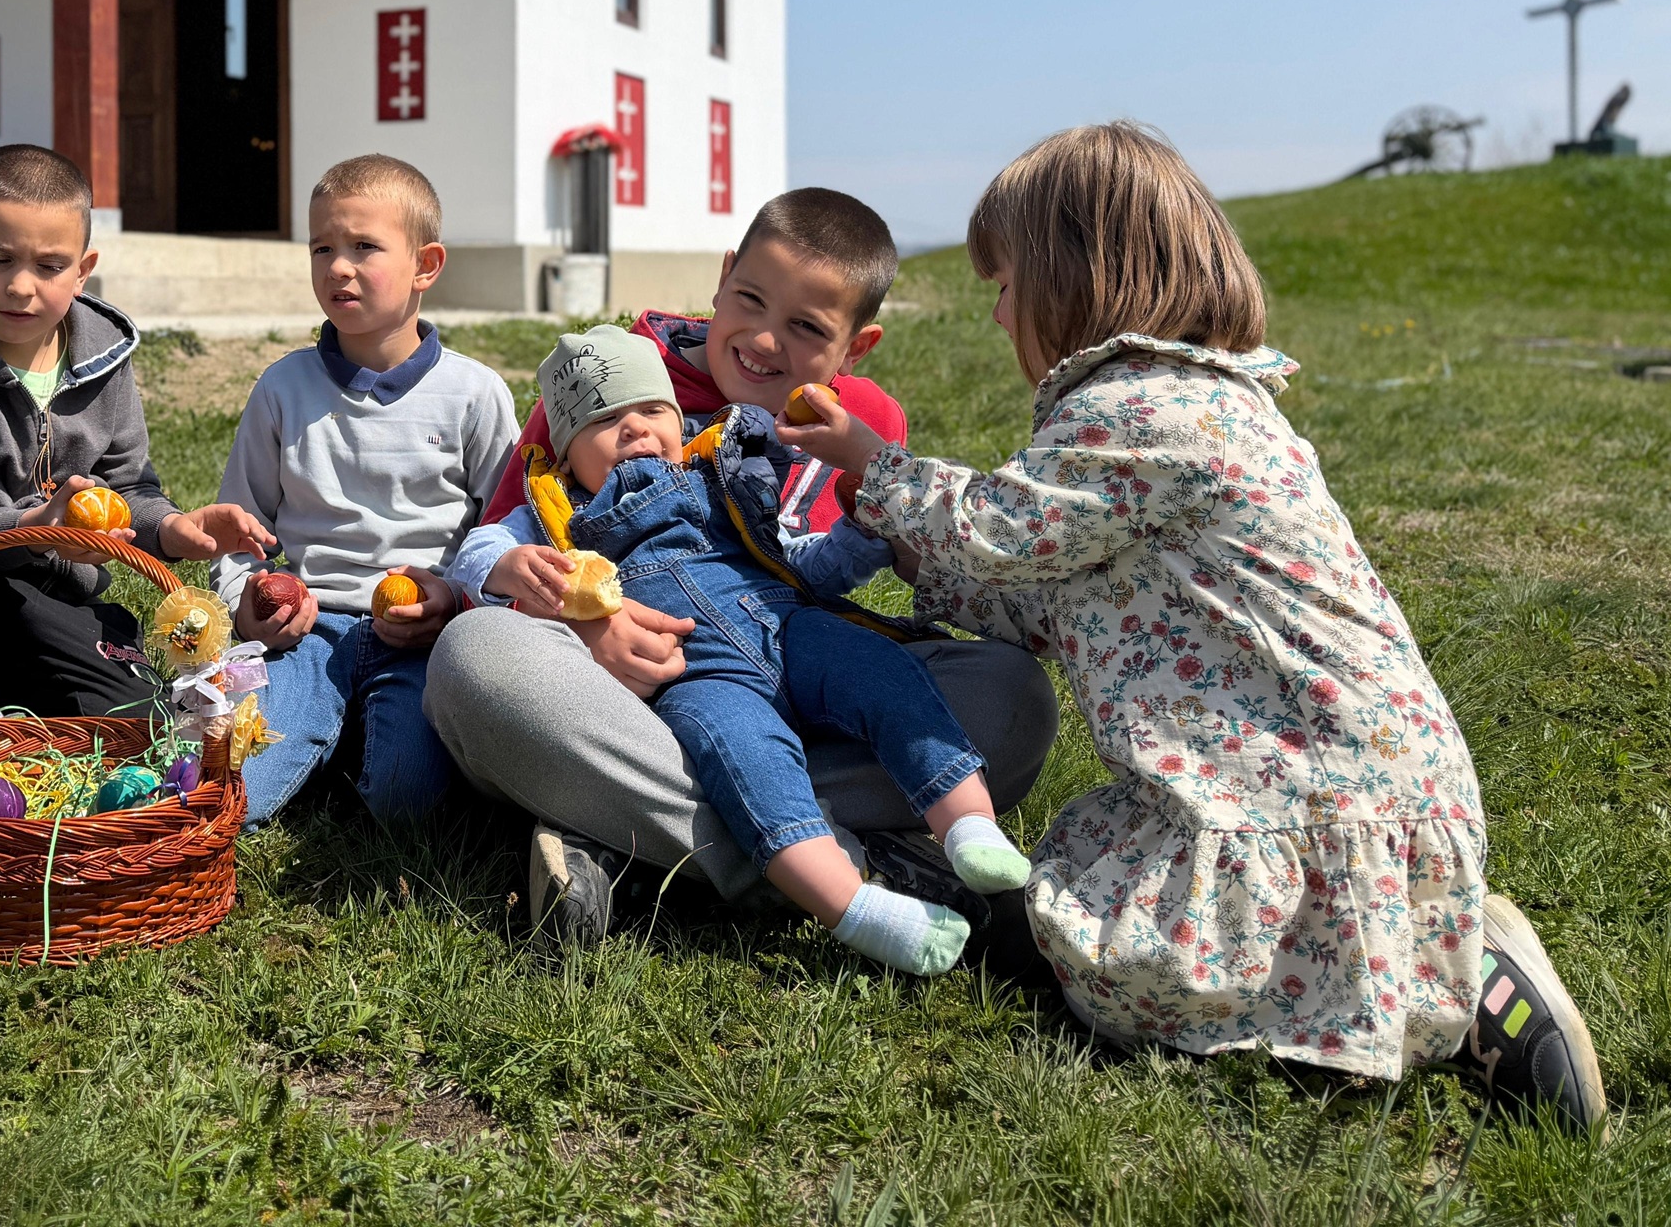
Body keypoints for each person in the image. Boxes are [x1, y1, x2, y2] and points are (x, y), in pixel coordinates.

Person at [792, 122, 1604, 1118]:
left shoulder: (1138, 412)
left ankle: (1467, 980)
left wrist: (870, 466)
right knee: (1098, 888)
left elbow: (1004, 531)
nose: (996, 313)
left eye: (1003, 282)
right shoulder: (1208, 401)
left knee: (1108, 963)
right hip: (1362, 786)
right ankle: (1430, 953)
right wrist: (909, 551)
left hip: (1304, 799)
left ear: (1070, 273)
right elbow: (1047, 597)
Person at [425, 188, 1061, 937]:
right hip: (643, 702)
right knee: (475, 660)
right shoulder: (605, 374)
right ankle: (856, 863)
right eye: (750, 301)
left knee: (1012, 695)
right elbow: (508, 550)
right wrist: (588, 627)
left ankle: (630, 836)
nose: (763, 341)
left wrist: (884, 511)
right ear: (723, 277)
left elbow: (833, 568)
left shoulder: (863, 424)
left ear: (857, 347)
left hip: (806, 671)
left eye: (805, 326)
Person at [0, 144, 270, 726]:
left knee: (136, 720)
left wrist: (168, 528)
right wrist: (30, 529)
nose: (21, 286)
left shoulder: (106, 361)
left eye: (49, 266)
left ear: (83, 270)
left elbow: (126, 488)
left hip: (54, 598)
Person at [208, 155, 519, 826]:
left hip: (421, 640)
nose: (337, 267)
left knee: (407, 805)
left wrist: (455, 600)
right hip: (305, 633)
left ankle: (351, 741)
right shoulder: (282, 390)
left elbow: (509, 533)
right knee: (239, 797)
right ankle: (316, 726)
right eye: (322, 247)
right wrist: (246, 609)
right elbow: (239, 532)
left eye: (363, 247)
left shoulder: (474, 395)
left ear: (426, 266)